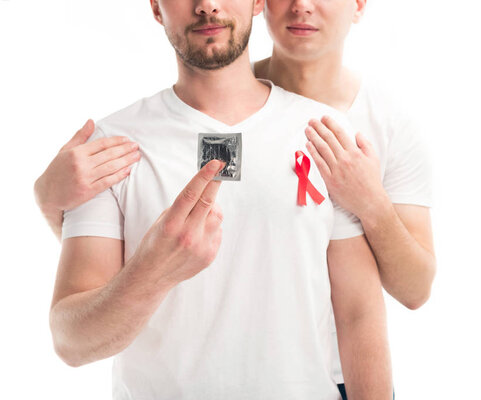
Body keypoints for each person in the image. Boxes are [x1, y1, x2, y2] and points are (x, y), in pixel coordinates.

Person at [42, 0, 393, 399]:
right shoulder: (111, 147)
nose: (207, 5)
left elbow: (358, 315)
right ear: (156, 7)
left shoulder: (325, 133)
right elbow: (71, 342)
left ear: (258, 1)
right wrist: (154, 271)